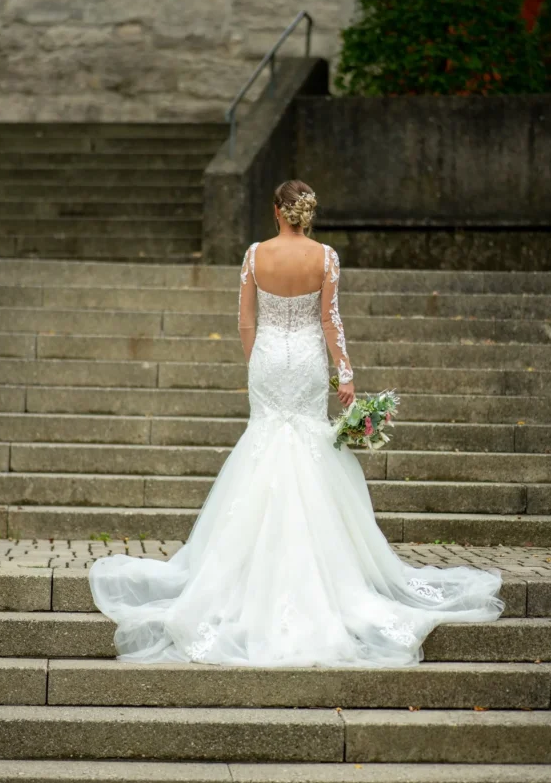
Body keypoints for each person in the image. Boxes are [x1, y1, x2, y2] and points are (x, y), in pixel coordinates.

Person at [89, 180, 503, 666]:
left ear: (276, 211)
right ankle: (326, 572)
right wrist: (344, 372)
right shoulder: (325, 256)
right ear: (306, 212)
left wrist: (256, 360)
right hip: (308, 360)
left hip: (267, 360)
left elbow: (246, 320)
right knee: (309, 444)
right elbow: (331, 320)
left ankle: (240, 575)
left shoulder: (254, 255)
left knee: (265, 442)